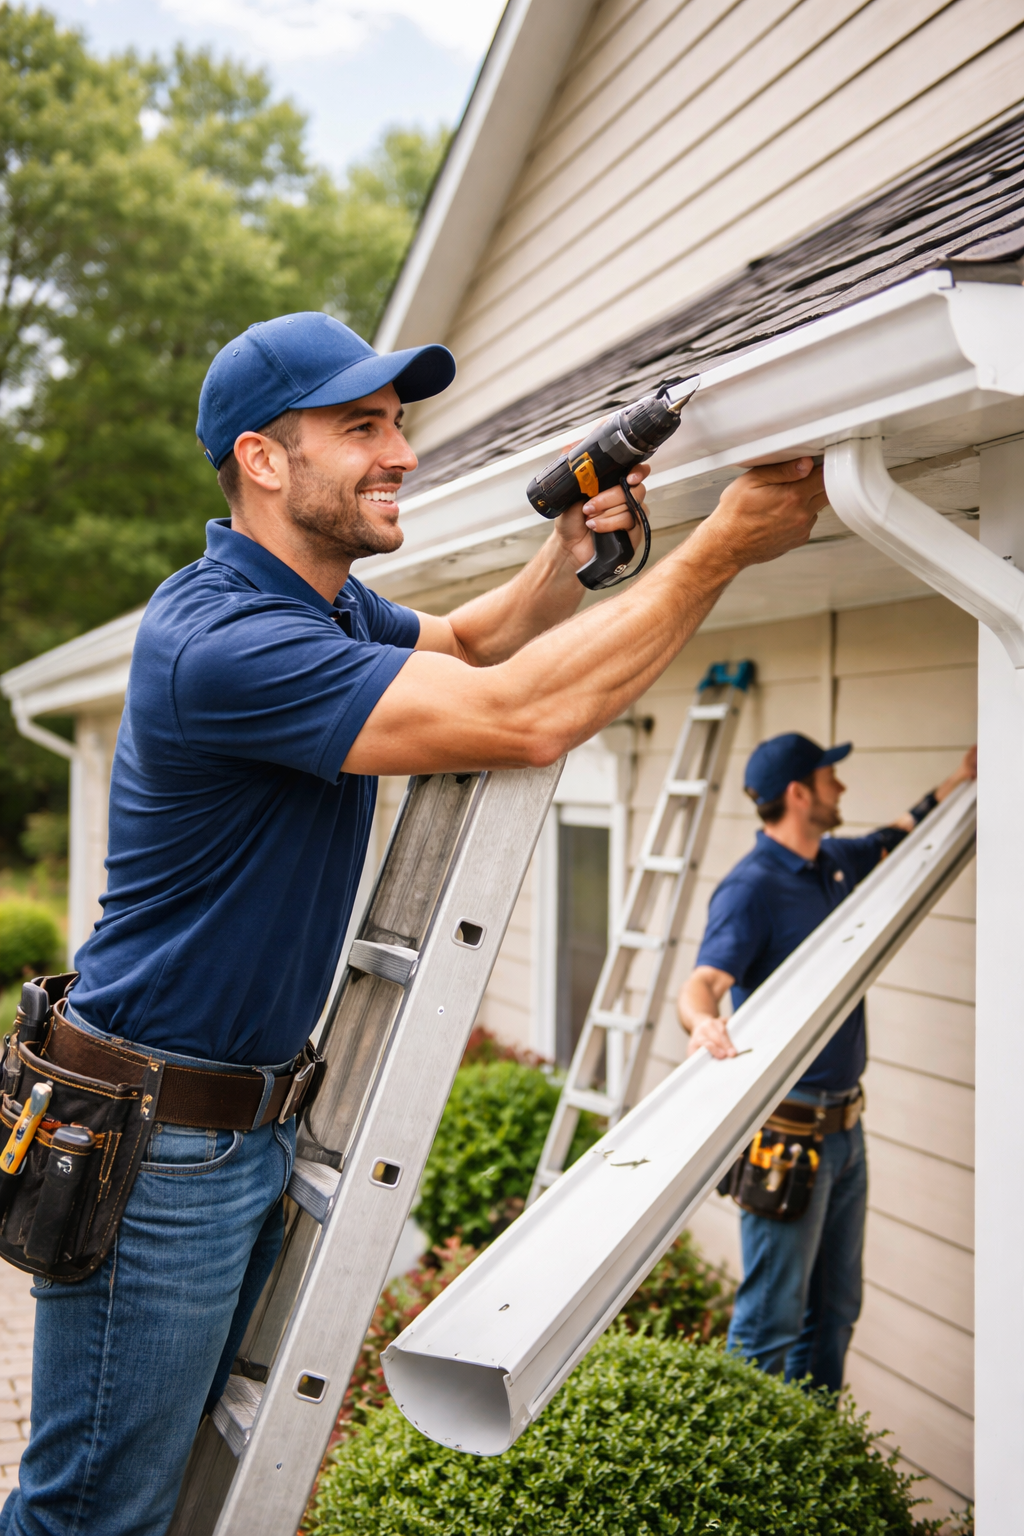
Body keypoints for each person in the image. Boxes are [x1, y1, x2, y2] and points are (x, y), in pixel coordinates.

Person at [0, 312, 825, 1536]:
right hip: (159, 1141)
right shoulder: (224, 641)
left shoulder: (316, 605)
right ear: (263, 460)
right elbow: (520, 715)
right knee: (88, 1515)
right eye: (362, 427)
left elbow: (472, 641)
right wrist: (717, 553)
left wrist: (566, 557)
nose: (402, 453)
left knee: (167, 1496)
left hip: (236, 1122)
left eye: (398, 423)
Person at [677, 731, 977, 1395]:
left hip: (848, 1130)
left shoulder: (833, 862)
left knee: (835, 1311)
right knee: (771, 1323)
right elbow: (701, 983)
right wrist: (703, 1024)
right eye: (829, 777)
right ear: (798, 793)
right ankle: (749, 1484)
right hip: (788, 1135)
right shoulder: (750, 889)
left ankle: (814, 1461)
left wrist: (958, 782)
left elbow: (896, 836)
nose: (841, 788)